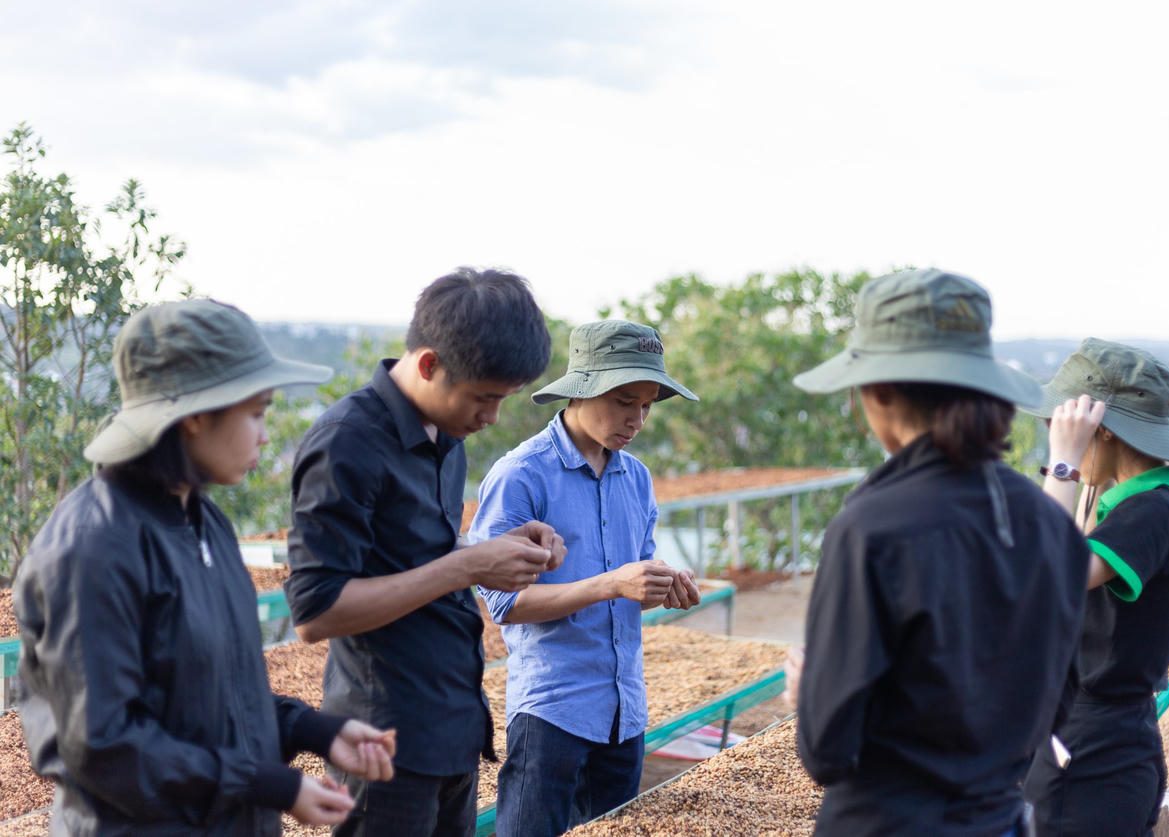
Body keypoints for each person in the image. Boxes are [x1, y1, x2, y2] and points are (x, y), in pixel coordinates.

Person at [13, 298, 397, 835]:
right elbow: (104, 747)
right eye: (257, 412)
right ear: (195, 416)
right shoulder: (92, 548)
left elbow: (210, 693)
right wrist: (269, 784)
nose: (266, 435)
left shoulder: (200, 518)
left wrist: (314, 730)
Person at [787, 269, 1091, 835]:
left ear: (877, 390)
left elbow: (826, 751)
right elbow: (1058, 706)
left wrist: (809, 692)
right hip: (1000, 819)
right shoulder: (1051, 524)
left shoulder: (871, 527)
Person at [285, 268, 567, 837]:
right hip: (385, 742)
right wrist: (467, 565)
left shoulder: (446, 434)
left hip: (454, 728)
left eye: (502, 400)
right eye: (483, 398)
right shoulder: (346, 441)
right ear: (429, 364)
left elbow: (412, 553)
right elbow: (315, 613)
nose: (489, 419)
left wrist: (496, 548)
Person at [469, 319, 702, 837]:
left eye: (646, 405)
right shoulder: (521, 475)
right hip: (553, 709)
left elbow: (631, 583)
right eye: (624, 401)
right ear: (582, 390)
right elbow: (505, 604)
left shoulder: (635, 477)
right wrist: (612, 583)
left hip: (625, 708)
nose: (637, 419)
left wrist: (662, 585)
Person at [1022, 338, 1169, 836]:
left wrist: (1063, 463)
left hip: (1090, 752)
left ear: (1099, 432)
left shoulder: (1148, 514)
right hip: (1118, 739)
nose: (1055, 438)